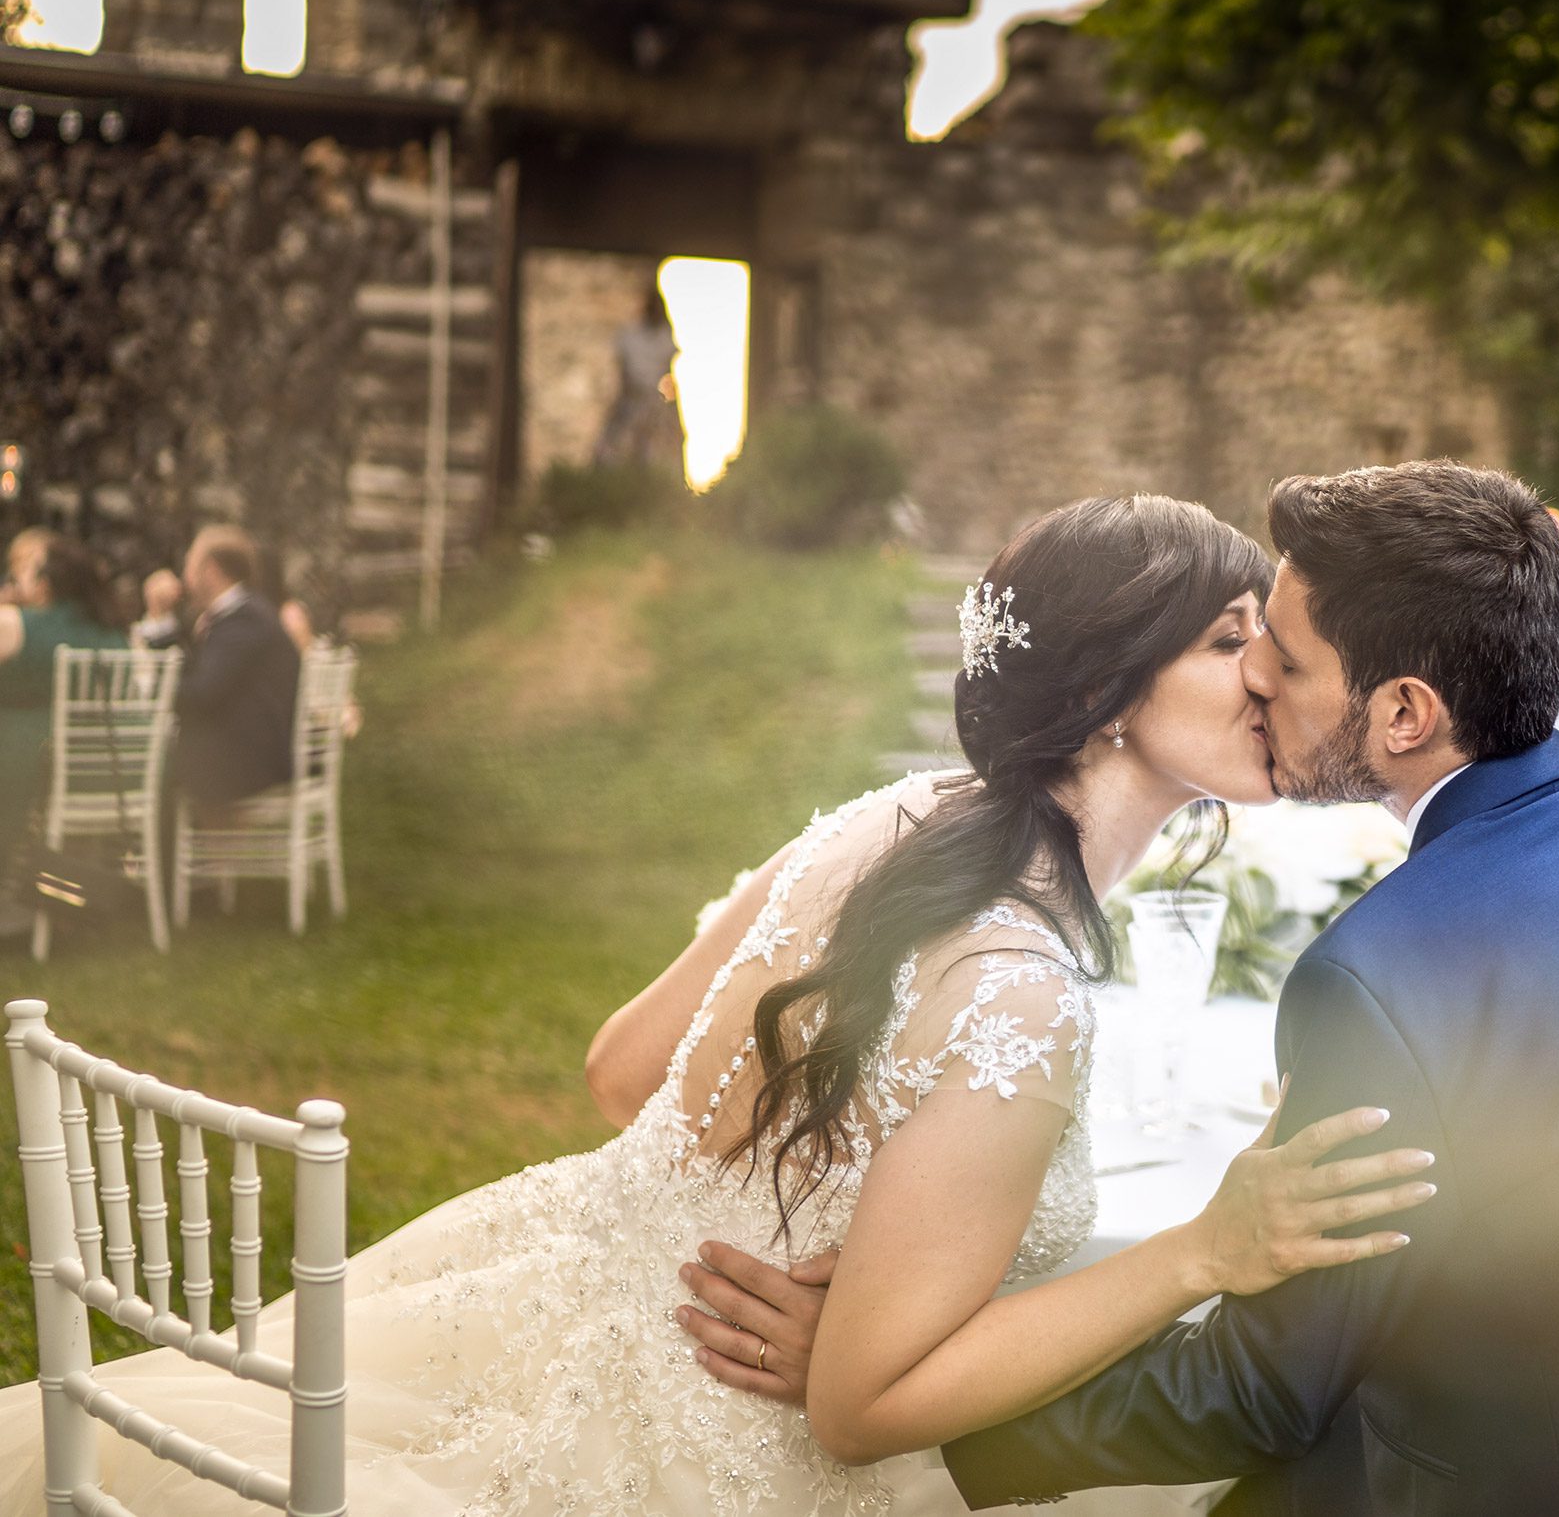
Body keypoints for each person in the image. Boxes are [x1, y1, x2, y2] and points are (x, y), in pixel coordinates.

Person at [0, 495, 1424, 1516]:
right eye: (1236, 637)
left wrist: (835, 1252)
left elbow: (625, 1068)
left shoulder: (893, 815)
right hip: (723, 1446)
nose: (1270, 673)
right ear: (1111, 691)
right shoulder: (1024, 990)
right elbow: (860, 1407)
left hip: (554, 1295)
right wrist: (1201, 1246)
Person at [736, 462, 1559, 1517]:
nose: (1254, 671)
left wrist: (943, 1407)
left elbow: (1265, 1390)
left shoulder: (1377, 975)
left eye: (1283, 649)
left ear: (1401, 712)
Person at [0, 530, 125, 894]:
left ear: (45, 585)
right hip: (102, 770)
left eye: (26, 571)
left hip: (28, 766)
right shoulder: (114, 634)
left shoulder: (14, 624)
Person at [169, 526, 302, 815]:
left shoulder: (243, 620)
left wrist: (148, 689)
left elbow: (202, 694)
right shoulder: (243, 613)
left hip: (246, 762)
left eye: (190, 565)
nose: (184, 577)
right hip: (249, 752)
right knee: (162, 764)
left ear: (211, 570)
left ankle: (162, 861)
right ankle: (180, 860)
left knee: (154, 771)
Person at [596, 282, 684, 473]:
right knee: (613, 454)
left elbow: (667, 377)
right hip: (631, 403)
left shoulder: (665, 338)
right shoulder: (629, 336)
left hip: (657, 407)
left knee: (660, 457)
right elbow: (626, 373)